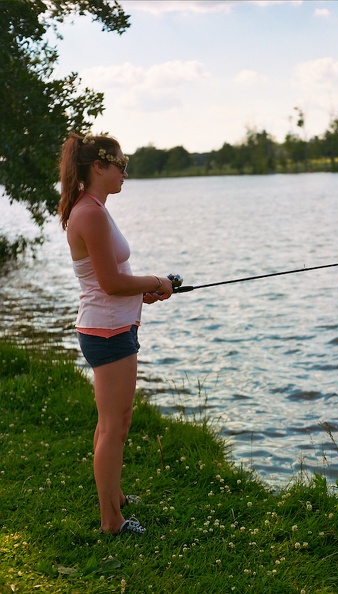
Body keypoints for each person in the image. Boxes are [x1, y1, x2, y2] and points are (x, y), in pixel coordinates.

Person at [57, 132, 173, 536]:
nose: (126, 172)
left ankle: (116, 497)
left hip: (113, 326)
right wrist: (158, 279)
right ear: (99, 167)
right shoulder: (88, 213)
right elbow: (108, 283)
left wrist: (144, 290)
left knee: (117, 421)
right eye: (121, 165)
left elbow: (112, 278)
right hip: (106, 331)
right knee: (112, 427)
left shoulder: (94, 209)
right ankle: (112, 522)